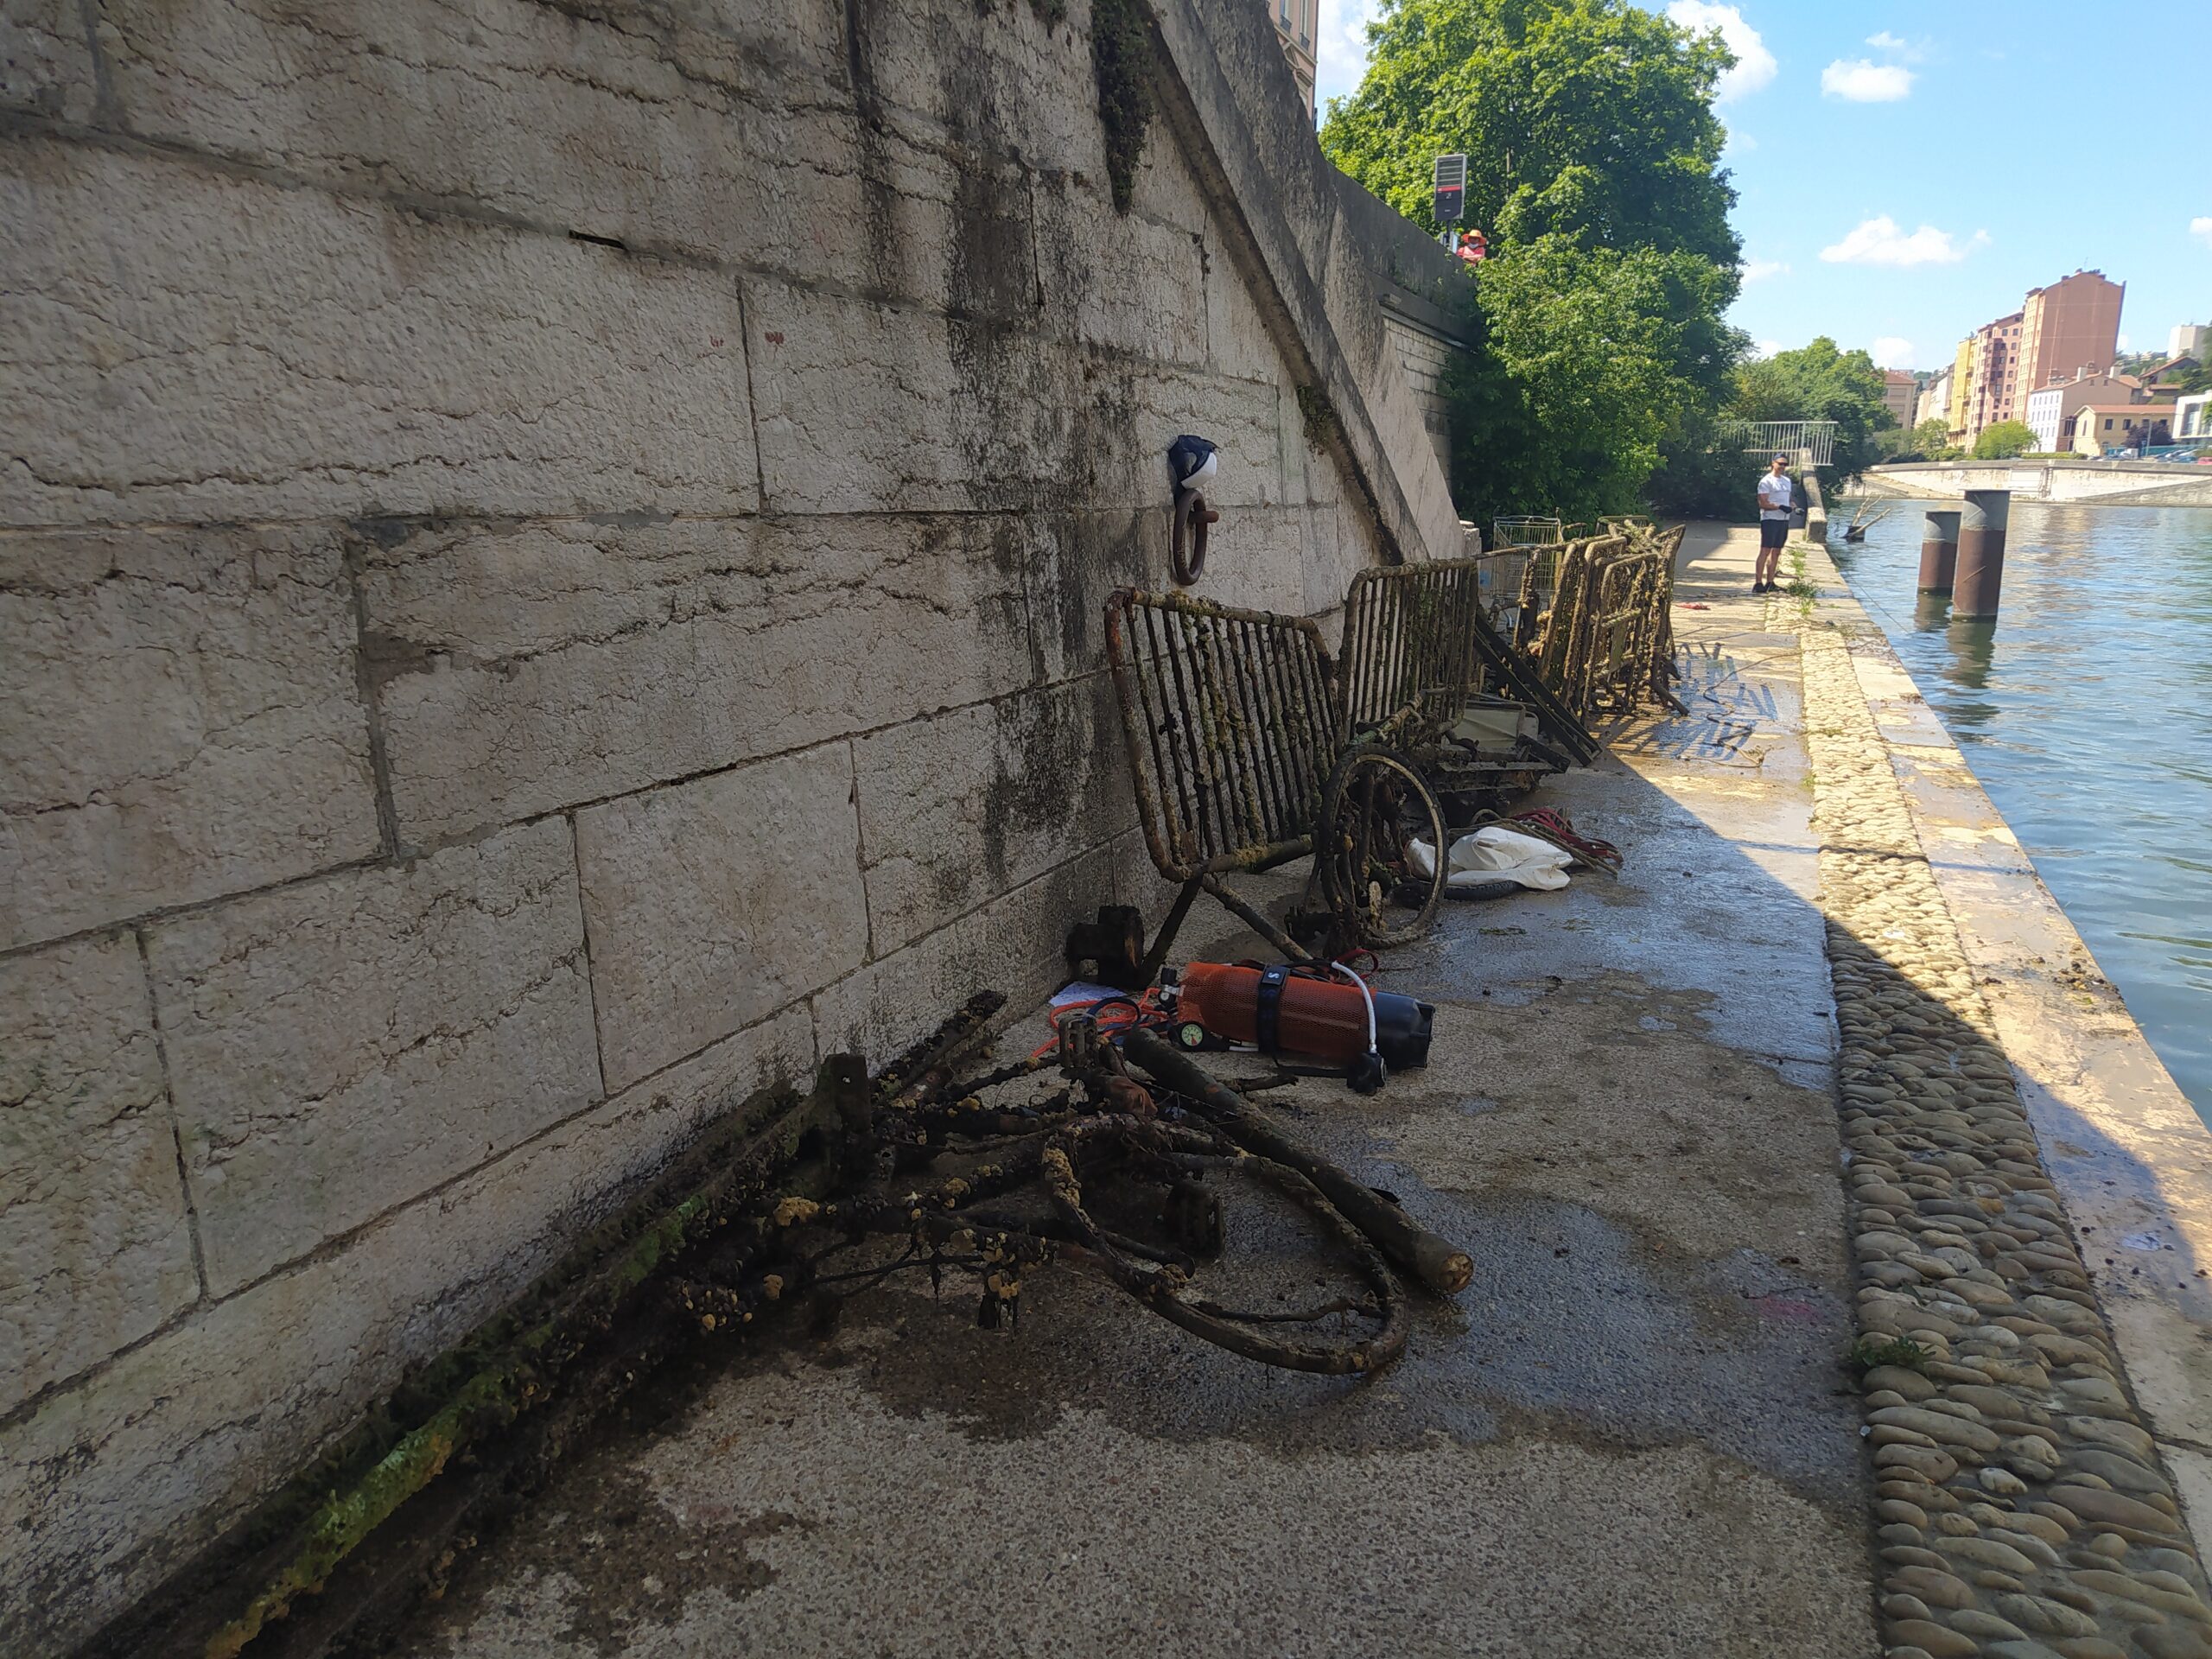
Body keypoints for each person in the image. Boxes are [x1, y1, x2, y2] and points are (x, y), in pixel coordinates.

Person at [1753, 454, 1792, 593]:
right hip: (1770, 519)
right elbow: (1763, 503)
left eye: (1785, 465)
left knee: (1776, 552)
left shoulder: (1787, 481)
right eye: (1780, 464)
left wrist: (1793, 507)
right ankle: (1758, 583)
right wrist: (1779, 507)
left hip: (1783, 520)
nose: (1782, 467)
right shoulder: (1766, 481)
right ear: (1773, 463)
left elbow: (1788, 500)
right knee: (1765, 550)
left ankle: (1770, 582)